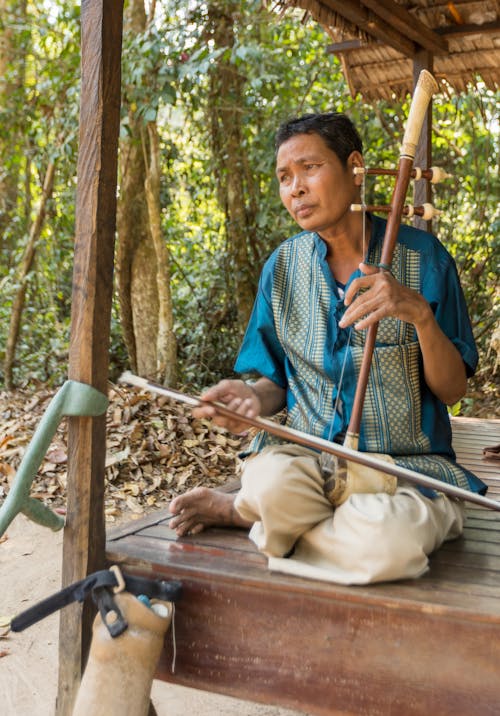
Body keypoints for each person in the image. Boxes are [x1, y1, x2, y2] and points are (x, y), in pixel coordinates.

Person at [170, 112, 486, 585]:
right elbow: (273, 381)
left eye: (309, 168)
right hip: (310, 461)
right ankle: (271, 512)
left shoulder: (426, 260)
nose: (295, 188)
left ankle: (253, 519)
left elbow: (451, 390)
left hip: (407, 471)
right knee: (269, 482)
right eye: (283, 177)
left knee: (387, 542)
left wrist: (417, 312)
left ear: (355, 168)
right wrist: (252, 399)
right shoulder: (281, 268)